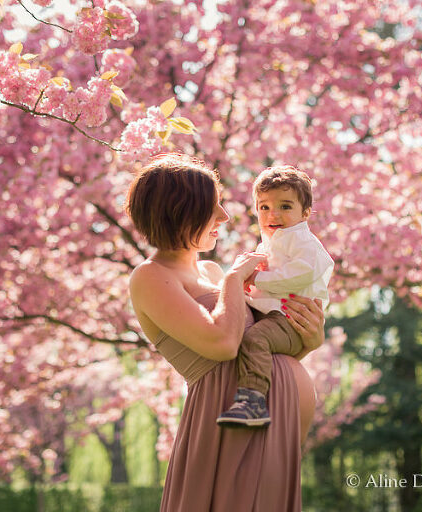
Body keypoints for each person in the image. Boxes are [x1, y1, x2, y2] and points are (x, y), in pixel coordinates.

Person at [126, 153, 326, 511]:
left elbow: (259, 348)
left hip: (274, 423)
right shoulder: (151, 276)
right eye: (213, 207)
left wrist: (309, 342)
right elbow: (223, 344)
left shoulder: (214, 273)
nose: (225, 216)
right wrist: (235, 279)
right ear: (180, 211)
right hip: (226, 425)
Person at [216, 166, 333, 428]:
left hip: (290, 320)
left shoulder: (304, 242)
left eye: (285, 206)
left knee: (255, 338)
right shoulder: (271, 243)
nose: (273, 214)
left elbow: (298, 275)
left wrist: (256, 278)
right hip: (274, 313)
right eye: (264, 207)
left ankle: (253, 400)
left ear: (305, 213)